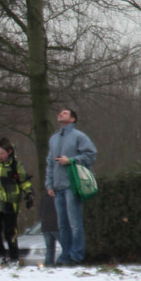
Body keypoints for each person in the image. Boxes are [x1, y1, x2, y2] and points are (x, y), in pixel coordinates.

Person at [45, 108, 98, 267]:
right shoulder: (53, 139)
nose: (61, 114)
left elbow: (91, 154)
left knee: (75, 224)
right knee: (63, 225)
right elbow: (50, 163)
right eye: (60, 112)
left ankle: (76, 256)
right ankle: (65, 255)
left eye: (65, 113)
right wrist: (49, 184)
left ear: (73, 119)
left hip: (72, 186)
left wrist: (72, 160)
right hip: (57, 187)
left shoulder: (79, 137)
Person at [0, 138, 34, 267]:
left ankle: (14, 258)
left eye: (2, 153)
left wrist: (29, 194)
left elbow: (24, 181)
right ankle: (2, 255)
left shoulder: (16, 165)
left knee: (10, 232)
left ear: (9, 152)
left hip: (11, 203)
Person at [38, 185, 60, 267]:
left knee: (50, 248)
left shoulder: (44, 198)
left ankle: (48, 264)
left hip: (45, 226)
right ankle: (63, 262)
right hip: (55, 225)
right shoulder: (57, 198)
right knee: (66, 246)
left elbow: (40, 212)